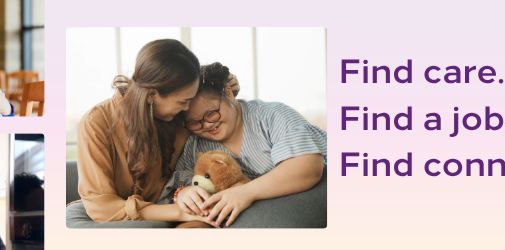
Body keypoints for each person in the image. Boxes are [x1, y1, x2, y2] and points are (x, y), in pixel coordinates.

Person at [163, 63, 328, 228]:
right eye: (194, 122)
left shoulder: (272, 116)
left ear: (228, 93)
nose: (206, 125)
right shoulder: (195, 145)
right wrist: (184, 192)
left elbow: (308, 167)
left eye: (211, 113)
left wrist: (246, 192)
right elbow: (178, 184)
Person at [68, 39, 208, 226]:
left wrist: (224, 82)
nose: (187, 108)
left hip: (170, 204)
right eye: (182, 102)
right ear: (151, 94)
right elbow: (101, 205)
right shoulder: (95, 123)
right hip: (110, 214)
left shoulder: (177, 117)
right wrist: (178, 212)